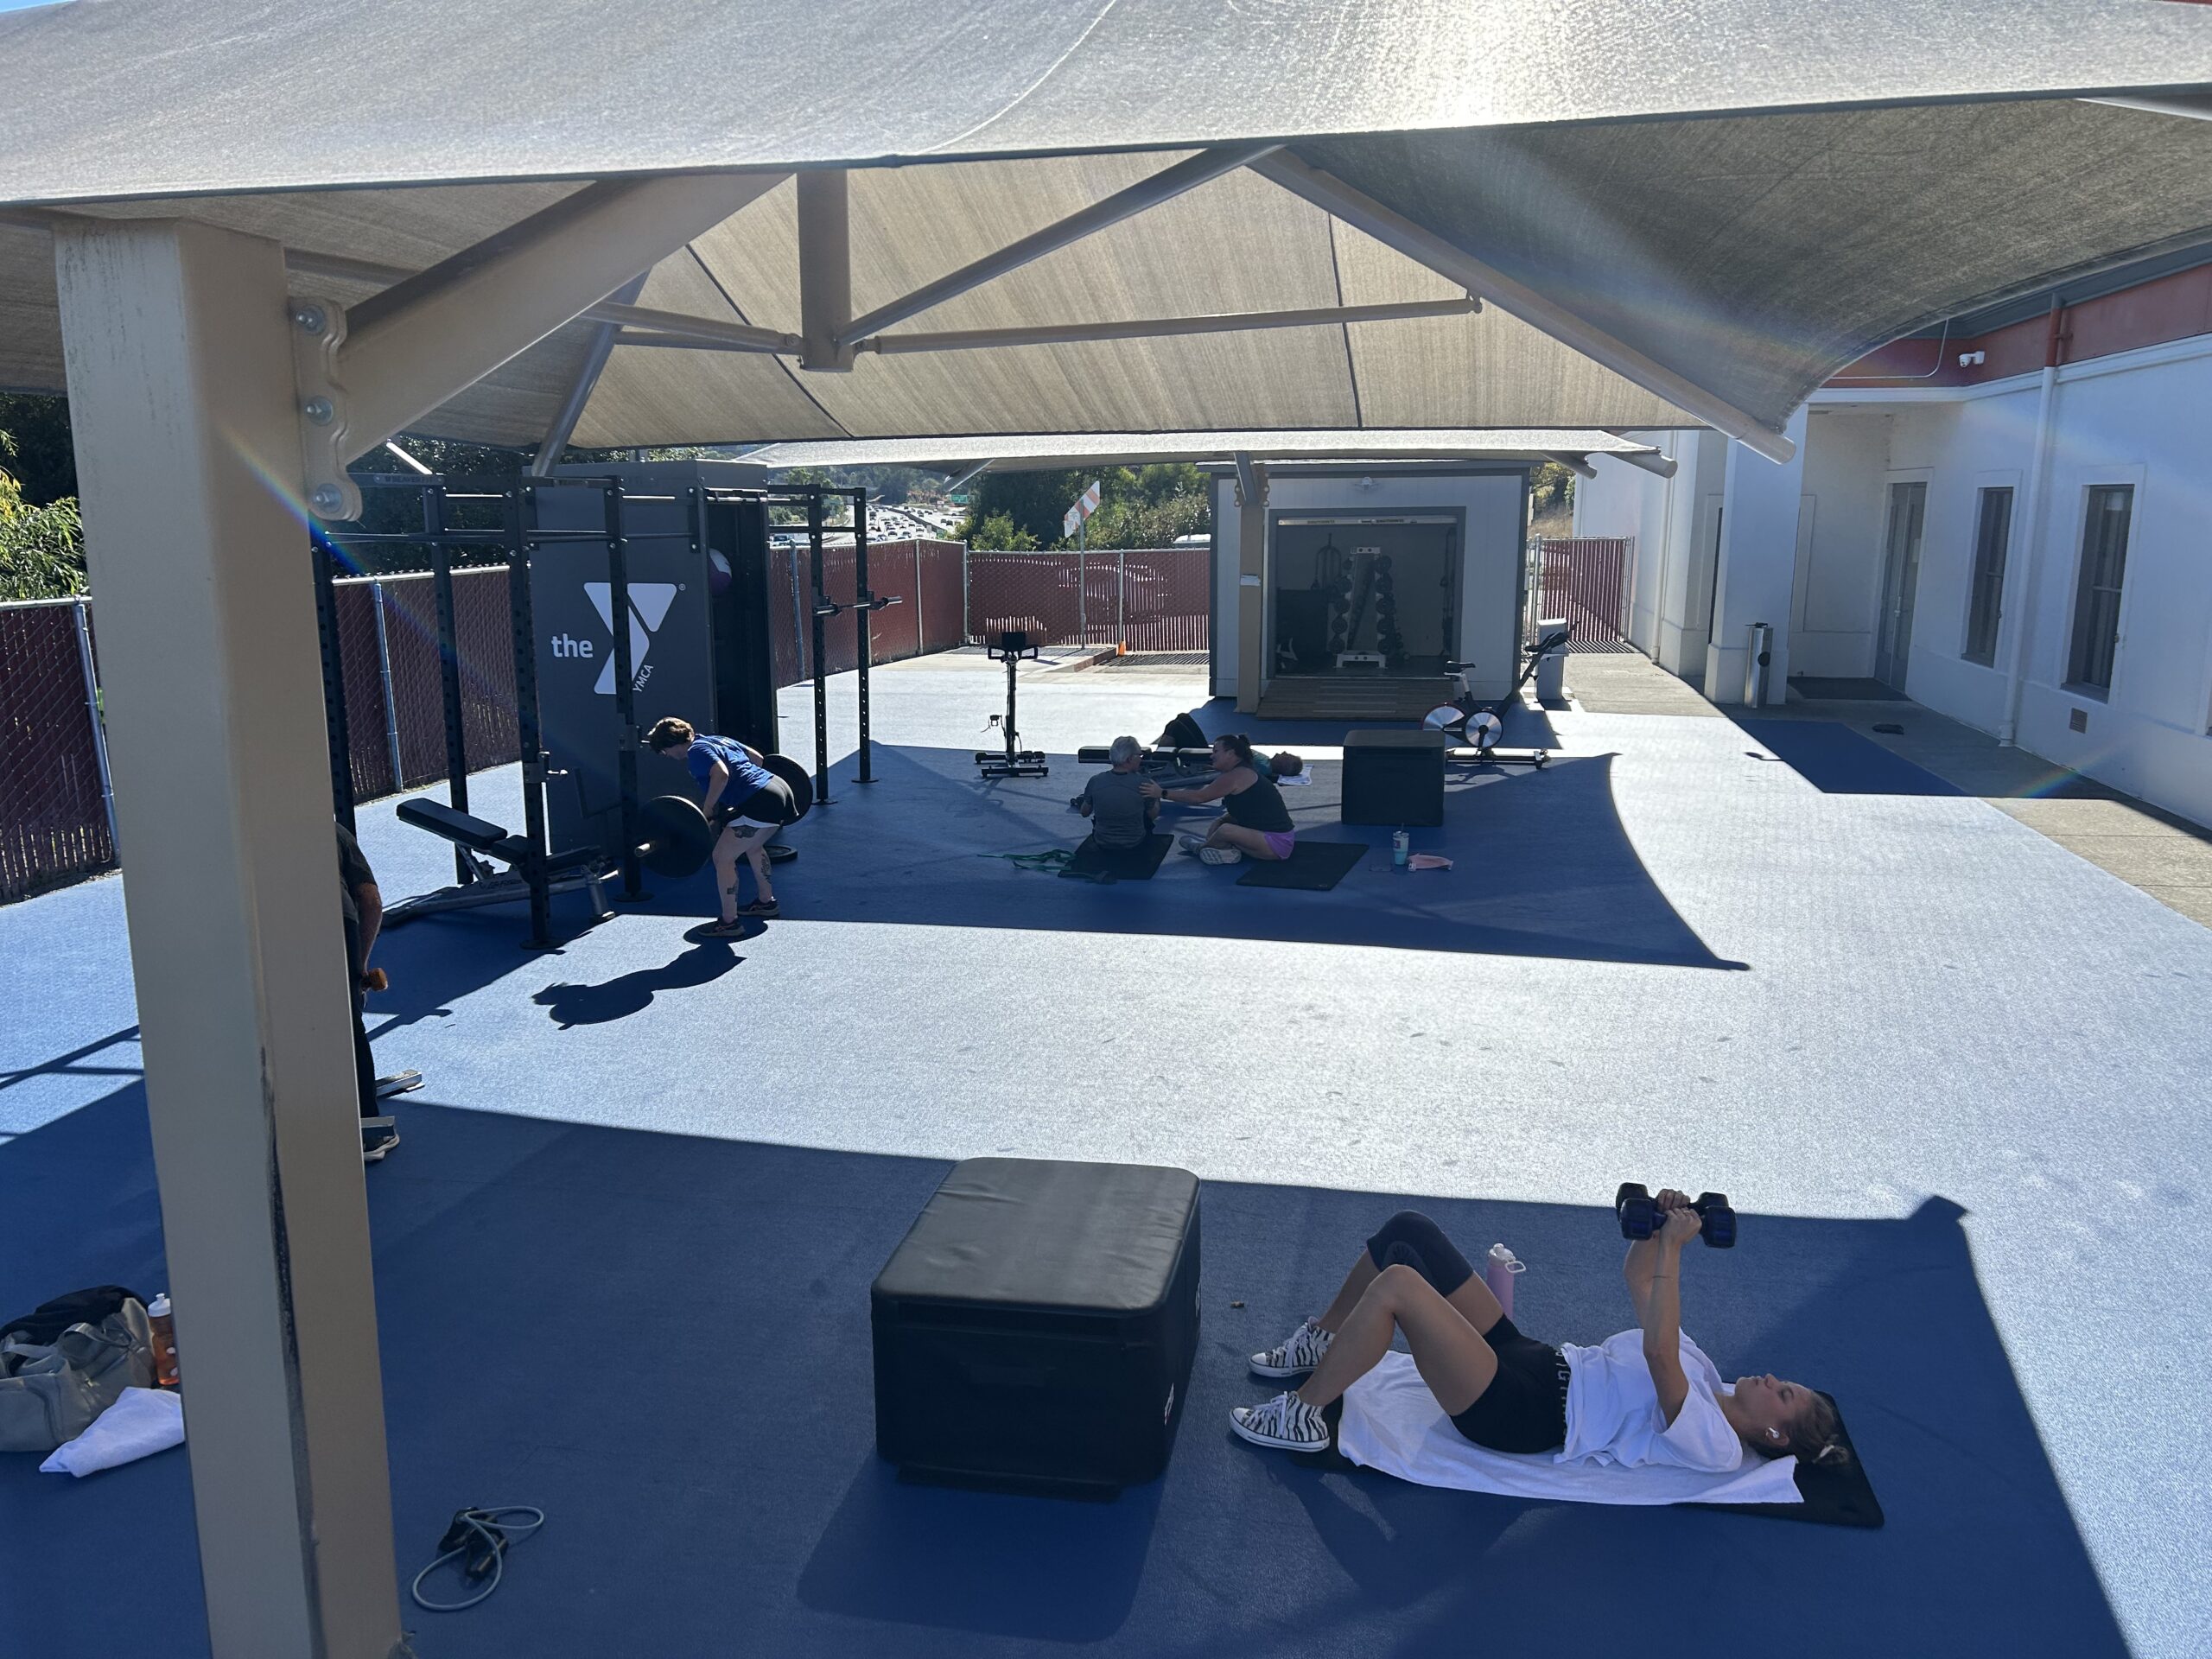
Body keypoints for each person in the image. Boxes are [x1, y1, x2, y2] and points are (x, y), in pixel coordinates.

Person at [1230, 1195, 1850, 1474]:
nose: (1771, 1378)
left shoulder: (1715, 1443)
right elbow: (1640, 1280)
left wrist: (1677, 1251)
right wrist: (1655, 1230)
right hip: (1531, 1360)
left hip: (1520, 1413)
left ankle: (1305, 1416)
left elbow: (1659, 1352)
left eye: (1783, 1394)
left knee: (1398, 1286)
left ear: (1773, 1433)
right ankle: (1325, 1339)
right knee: (1409, 1233)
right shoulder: (1709, 1373)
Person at [645, 716, 793, 937]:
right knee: (752, 847)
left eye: (665, 751)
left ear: (671, 744)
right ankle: (766, 902)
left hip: (761, 801)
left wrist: (709, 808)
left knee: (722, 857)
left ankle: (729, 923)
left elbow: (721, 774)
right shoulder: (716, 740)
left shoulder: (695, 752)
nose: (667, 756)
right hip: (780, 790)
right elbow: (758, 759)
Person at [335, 823, 397, 1162]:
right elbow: (371, 901)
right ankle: (371, 1131)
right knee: (347, 1020)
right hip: (333, 917)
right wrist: (358, 967)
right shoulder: (333, 833)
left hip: (270, 922)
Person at [1139, 733, 1295, 865]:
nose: (1211, 755)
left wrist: (1162, 793)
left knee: (1226, 830)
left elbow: (1199, 797)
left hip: (1277, 844)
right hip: (1268, 838)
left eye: (1216, 751)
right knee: (1222, 821)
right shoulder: (1240, 771)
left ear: (1230, 753)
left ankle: (1201, 849)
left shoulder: (1237, 775)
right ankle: (1220, 850)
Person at [1072, 735, 1160, 850]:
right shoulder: (1144, 784)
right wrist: (1157, 795)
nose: (1141, 759)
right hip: (1135, 842)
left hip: (1102, 841)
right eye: (1139, 755)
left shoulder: (1095, 780)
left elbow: (1085, 813)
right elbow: (1153, 816)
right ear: (1130, 759)